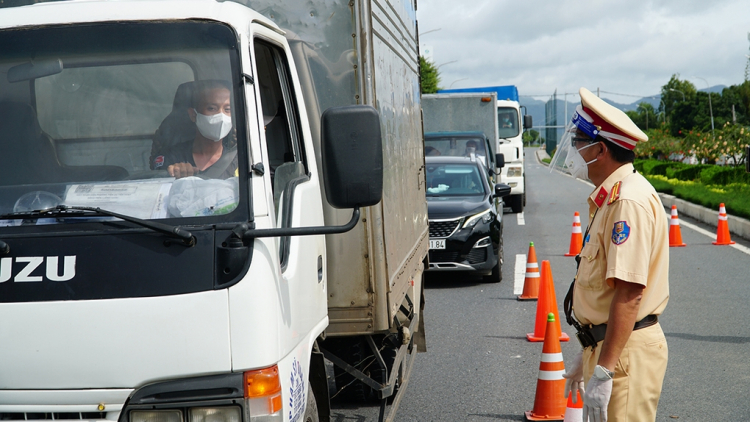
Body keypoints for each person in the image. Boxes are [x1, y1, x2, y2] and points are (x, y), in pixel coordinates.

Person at [553, 87, 669, 422]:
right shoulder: (611, 197)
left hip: (623, 356)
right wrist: (589, 349)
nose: (573, 151)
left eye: (578, 143)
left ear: (600, 149)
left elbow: (630, 293)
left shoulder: (626, 202)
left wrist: (604, 369)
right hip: (611, 349)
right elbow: (605, 293)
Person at [154, 80, 238, 179]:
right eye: (211, 108)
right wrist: (174, 173)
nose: (221, 116)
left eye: (227, 109)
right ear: (193, 114)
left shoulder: (239, 160)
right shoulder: (171, 157)